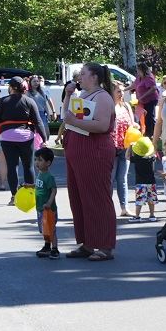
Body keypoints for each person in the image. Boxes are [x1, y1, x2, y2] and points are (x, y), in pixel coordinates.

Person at [62, 62, 120, 261]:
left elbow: (102, 125)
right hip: (77, 152)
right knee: (79, 198)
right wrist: (69, 95)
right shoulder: (82, 95)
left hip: (94, 153)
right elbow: (66, 116)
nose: (79, 76)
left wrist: (73, 122)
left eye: (83, 73)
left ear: (94, 77)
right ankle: (87, 243)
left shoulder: (102, 97)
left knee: (97, 198)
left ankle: (105, 245)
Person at [0, 77, 43, 197]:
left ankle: (14, 196)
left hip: (7, 137)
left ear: (11, 87)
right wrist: (44, 137)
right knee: (28, 165)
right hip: (26, 136)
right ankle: (30, 195)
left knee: (12, 166)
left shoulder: (3, 101)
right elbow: (38, 121)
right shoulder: (29, 101)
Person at [111, 83, 137, 214]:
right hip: (111, 147)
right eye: (118, 91)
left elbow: (132, 125)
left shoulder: (126, 106)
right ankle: (107, 208)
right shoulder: (109, 107)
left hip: (125, 146)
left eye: (122, 91)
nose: (121, 94)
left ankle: (124, 208)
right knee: (110, 178)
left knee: (122, 178)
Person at [33, 146, 61, 258]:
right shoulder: (40, 174)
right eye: (36, 159)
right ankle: (47, 246)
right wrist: (30, 186)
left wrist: (49, 203)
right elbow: (39, 186)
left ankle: (55, 249)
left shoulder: (49, 176)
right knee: (45, 228)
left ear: (48, 163)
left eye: (40, 160)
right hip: (40, 207)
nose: (37, 162)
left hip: (49, 209)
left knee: (51, 229)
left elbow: (54, 190)